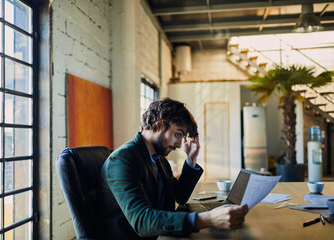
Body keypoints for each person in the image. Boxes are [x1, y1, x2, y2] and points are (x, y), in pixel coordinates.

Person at [99, 98, 248, 240]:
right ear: (159, 124)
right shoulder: (123, 160)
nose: (178, 145)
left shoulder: (159, 160)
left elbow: (180, 196)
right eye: (177, 134)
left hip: (160, 235)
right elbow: (142, 221)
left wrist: (191, 159)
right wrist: (208, 219)